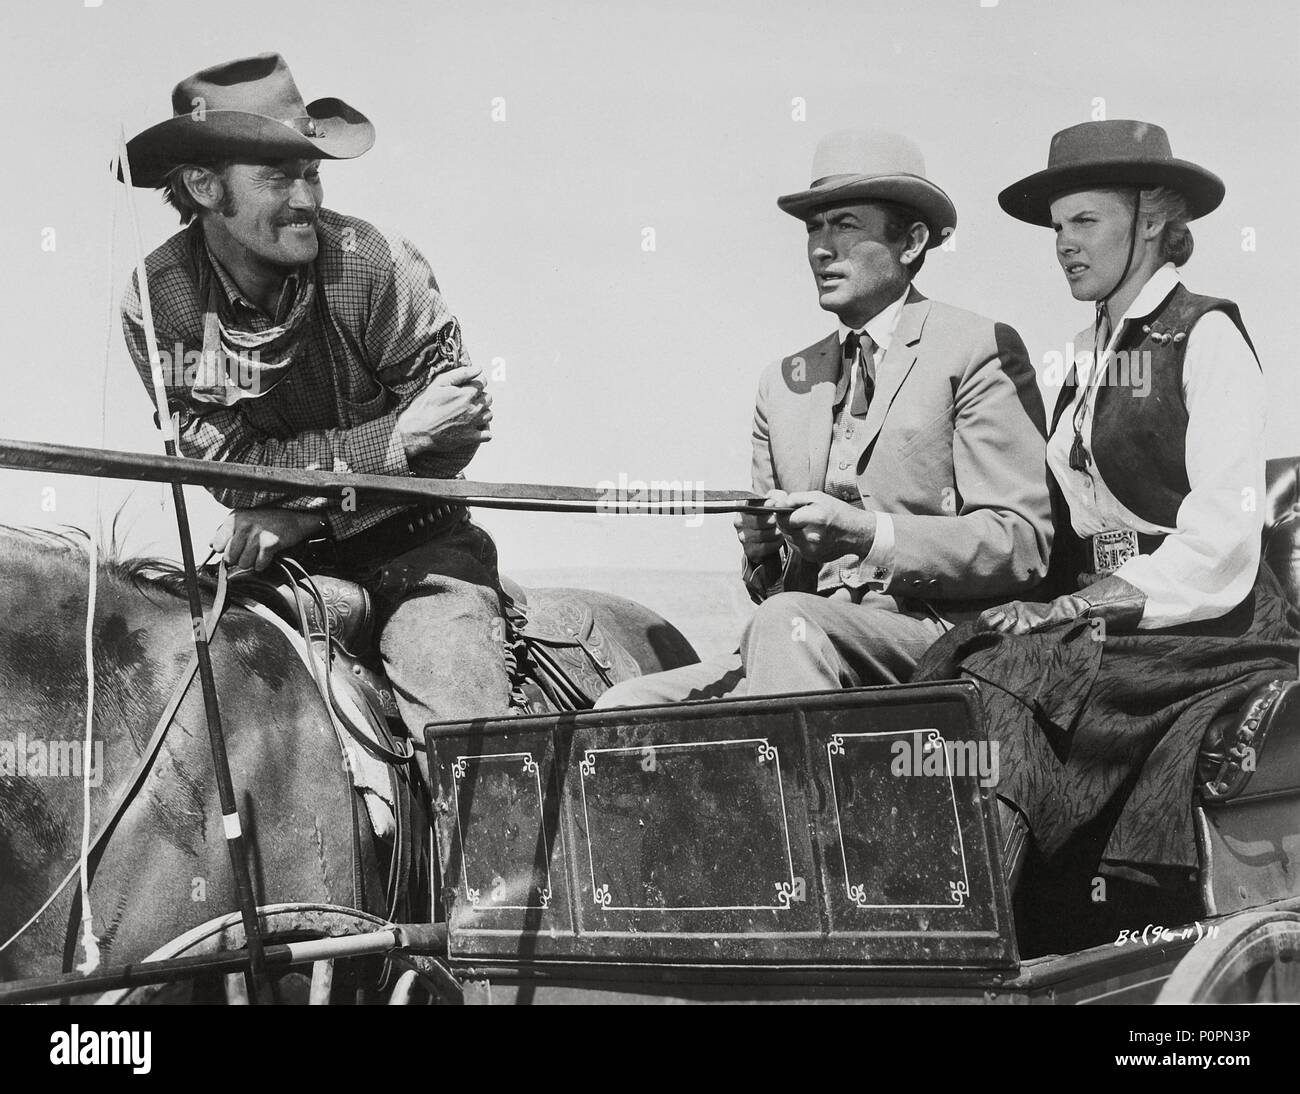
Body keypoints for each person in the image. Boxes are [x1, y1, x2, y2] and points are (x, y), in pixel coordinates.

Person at [914, 119, 1300, 922]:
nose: (1064, 245)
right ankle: (933, 908)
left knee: (1015, 677)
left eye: (1085, 221)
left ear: (1154, 219)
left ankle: (977, 925)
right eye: (1058, 228)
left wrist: (1079, 606)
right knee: (963, 659)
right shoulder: (1081, 358)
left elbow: (1221, 544)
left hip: (1208, 624)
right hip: (1104, 618)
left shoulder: (1209, 336)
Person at [119, 53, 511, 737]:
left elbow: (450, 439)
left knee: (469, 744)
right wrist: (397, 440)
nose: (307, 198)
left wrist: (302, 517)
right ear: (205, 188)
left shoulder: (377, 262)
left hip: (422, 558)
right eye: (278, 177)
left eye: (312, 172)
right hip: (278, 566)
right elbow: (228, 467)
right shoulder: (160, 302)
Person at [597, 128, 1052, 707]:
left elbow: (1022, 543)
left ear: (911, 242)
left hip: (939, 642)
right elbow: (776, 591)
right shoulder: (782, 382)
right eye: (814, 227)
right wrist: (765, 552)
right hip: (800, 639)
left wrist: (865, 535)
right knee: (621, 711)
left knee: (792, 628)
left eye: (845, 225)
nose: (820, 247)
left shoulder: (975, 348)